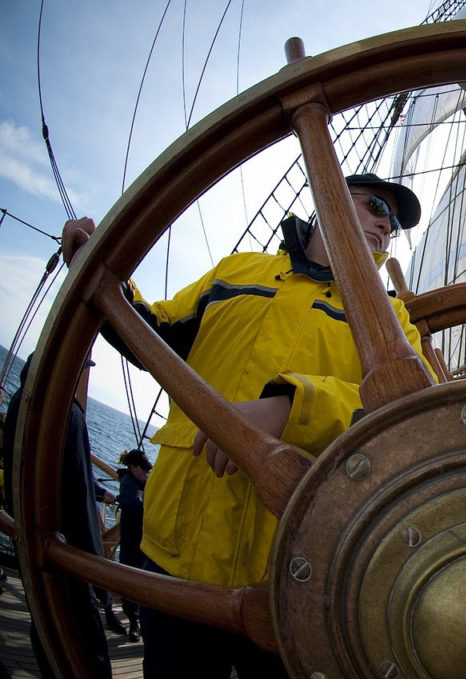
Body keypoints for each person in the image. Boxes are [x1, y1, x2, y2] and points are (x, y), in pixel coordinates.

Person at [62, 173, 434, 678]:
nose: (386, 224)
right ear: (327, 199)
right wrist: (99, 272)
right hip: (177, 555)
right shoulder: (236, 273)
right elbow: (151, 333)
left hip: (291, 575)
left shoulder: (390, 318)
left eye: (392, 222)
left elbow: (415, 414)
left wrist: (290, 407)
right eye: (374, 205)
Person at [2, 354, 113, 679]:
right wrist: (99, 578)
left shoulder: (20, 401)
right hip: (66, 552)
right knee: (85, 649)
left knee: (46, 625)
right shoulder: (69, 414)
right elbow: (79, 493)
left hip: (30, 536)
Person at [115, 448, 151, 642]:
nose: (146, 473)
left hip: (142, 544)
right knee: (129, 584)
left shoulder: (138, 482)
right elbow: (137, 509)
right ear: (133, 467)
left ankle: (140, 622)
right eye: (143, 470)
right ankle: (134, 623)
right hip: (132, 544)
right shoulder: (129, 485)